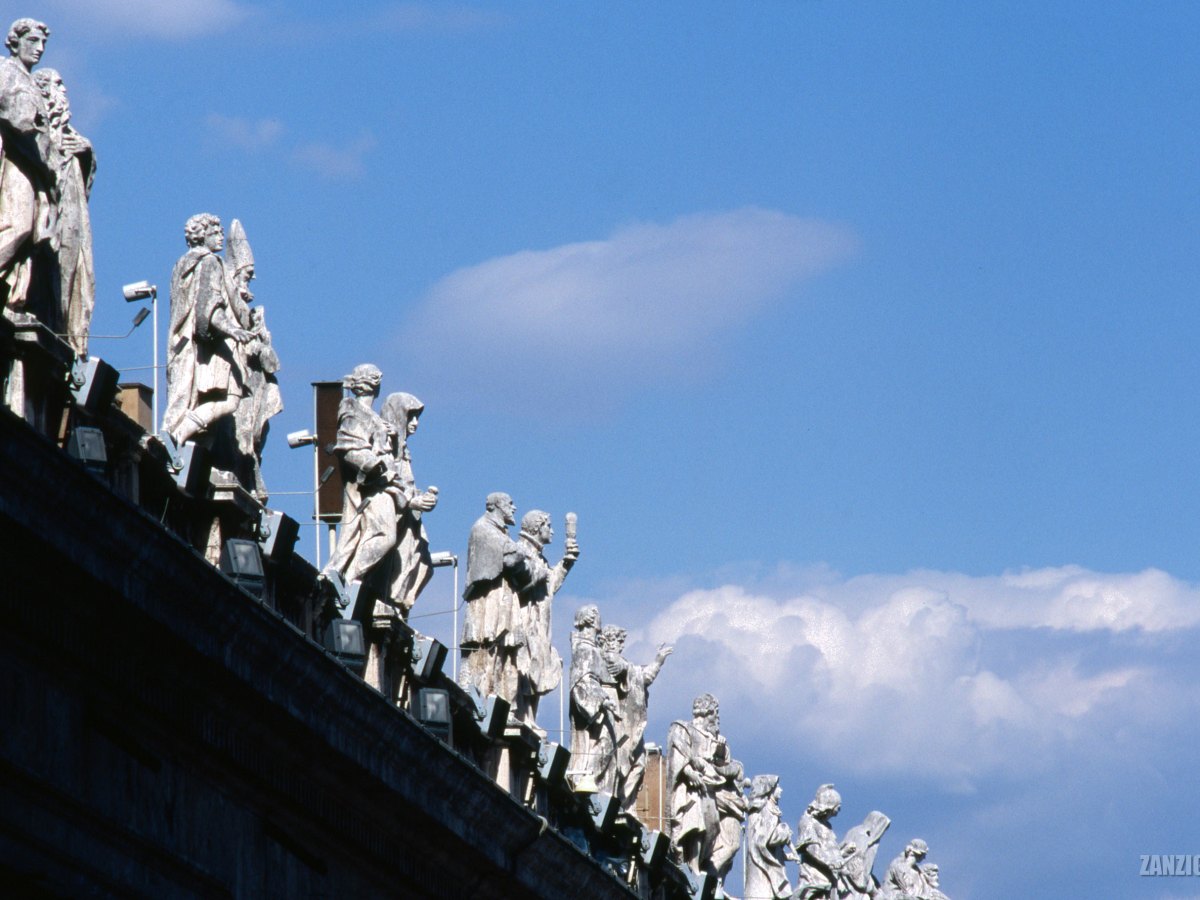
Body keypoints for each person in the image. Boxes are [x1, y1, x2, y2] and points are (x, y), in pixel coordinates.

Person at [164, 213, 253, 447]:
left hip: (183, 344)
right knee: (231, 398)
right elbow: (209, 308)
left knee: (184, 397)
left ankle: (180, 438)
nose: (221, 237)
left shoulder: (181, 264)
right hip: (202, 348)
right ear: (203, 235)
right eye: (216, 232)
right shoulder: (210, 262)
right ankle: (178, 436)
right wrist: (234, 330)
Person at [0, 18, 54, 315]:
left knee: (30, 232)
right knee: (18, 225)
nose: (40, 49)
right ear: (15, 41)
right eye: (33, 41)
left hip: (34, 167)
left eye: (43, 43)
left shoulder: (30, 81)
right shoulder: (5, 71)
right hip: (13, 159)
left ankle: (10, 295)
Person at [225, 219, 281, 499]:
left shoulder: (254, 318)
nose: (248, 287)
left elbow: (272, 364)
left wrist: (263, 339)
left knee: (254, 440)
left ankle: (250, 481)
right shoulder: (229, 313)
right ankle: (249, 483)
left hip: (256, 390)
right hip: (239, 387)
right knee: (242, 440)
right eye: (245, 278)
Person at [666, 693, 747, 881]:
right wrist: (688, 772)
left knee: (712, 827)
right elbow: (677, 755)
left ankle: (703, 867)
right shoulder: (684, 729)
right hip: (692, 790)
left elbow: (724, 766)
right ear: (705, 711)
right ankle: (692, 865)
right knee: (696, 825)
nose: (717, 718)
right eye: (715, 713)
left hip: (709, 789)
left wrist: (728, 765)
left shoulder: (719, 739)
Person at [459, 492, 528, 703]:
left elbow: (517, 559)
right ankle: (479, 697)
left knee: (499, 651)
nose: (514, 508)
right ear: (495, 506)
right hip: (488, 600)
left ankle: (493, 696)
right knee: (486, 646)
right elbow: (511, 560)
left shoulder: (499, 532)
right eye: (510, 503)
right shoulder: (483, 529)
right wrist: (520, 553)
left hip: (501, 599)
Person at [513, 509, 577, 728]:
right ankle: (523, 715)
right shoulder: (521, 550)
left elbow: (549, 587)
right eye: (548, 526)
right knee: (526, 666)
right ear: (537, 528)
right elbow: (520, 584)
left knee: (539, 666)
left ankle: (530, 716)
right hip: (526, 618)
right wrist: (539, 572)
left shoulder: (538, 556)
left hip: (541, 621)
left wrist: (566, 564)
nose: (552, 530)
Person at [599, 625, 671, 813]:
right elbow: (642, 676)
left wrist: (658, 661)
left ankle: (623, 801)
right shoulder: (605, 659)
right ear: (606, 641)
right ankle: (618, 801)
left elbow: (642, 676)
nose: (620, 646)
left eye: (621, 642)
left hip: (627, 722)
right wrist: (656, 662)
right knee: (621, 762)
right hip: (616, 721)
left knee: (638, 762)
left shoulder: (622, 663)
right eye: (616, 641)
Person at [378, 391, 438, 617]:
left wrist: (422, 498)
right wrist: (414, 501)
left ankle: (399, 606)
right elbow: (386, 482)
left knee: (423, 564)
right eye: (410, 417)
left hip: (408, 518)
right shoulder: (387, 441)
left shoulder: (403, 448)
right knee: (397, 558)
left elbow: (406, 483)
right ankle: (388, 601)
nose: (415, 424)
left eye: (417, 418)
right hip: (393, 516)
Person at [568, 604, 618, 791]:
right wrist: (602, 700)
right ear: (589, 620)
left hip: (600, 707)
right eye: (596, 614)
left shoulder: (592, 649)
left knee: (608, 743)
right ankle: (586, 777)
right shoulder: (583, 650)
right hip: (592, 711)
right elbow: (581, 682)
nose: (600, 618)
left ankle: (593, 781)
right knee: (602, 742)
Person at [794, 784, 857, 899]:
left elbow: (829, 851)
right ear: (827, 807)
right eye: (835, 809)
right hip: (814, 878)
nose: (836, 813)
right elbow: (812, 848)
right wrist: (830, 863)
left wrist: (844, 852)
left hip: (829, 878)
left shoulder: (826, 825)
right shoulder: (807, 821)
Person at [744, 774, 794, 900]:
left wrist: (786, 856)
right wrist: (784, 832)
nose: (781, 789)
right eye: (777, 786)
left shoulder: (770, 809)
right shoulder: (765, 810)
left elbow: (771, 849)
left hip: (766, 877)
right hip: (762, 877)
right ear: (769, 790)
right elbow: (763, 841)